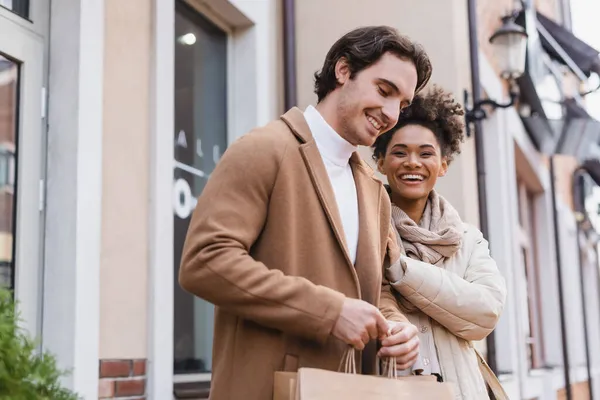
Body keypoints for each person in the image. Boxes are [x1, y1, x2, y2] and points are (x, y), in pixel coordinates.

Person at [178, 26, 432, 399]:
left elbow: (374, 290)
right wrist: (329, 312)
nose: (393, 113)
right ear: (343, 71)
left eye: (403, 104)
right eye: (384, 90)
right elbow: (205, 262)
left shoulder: (374, 190)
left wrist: (394, 326)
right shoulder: (264, 149)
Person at [374, 86, 507, 399]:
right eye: (399, 152)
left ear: (443, 165)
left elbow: (485, 312)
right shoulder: (364, 228)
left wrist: (402, 270)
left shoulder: (467, 239)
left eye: (425, 153)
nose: (412, 162)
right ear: (380, 162)